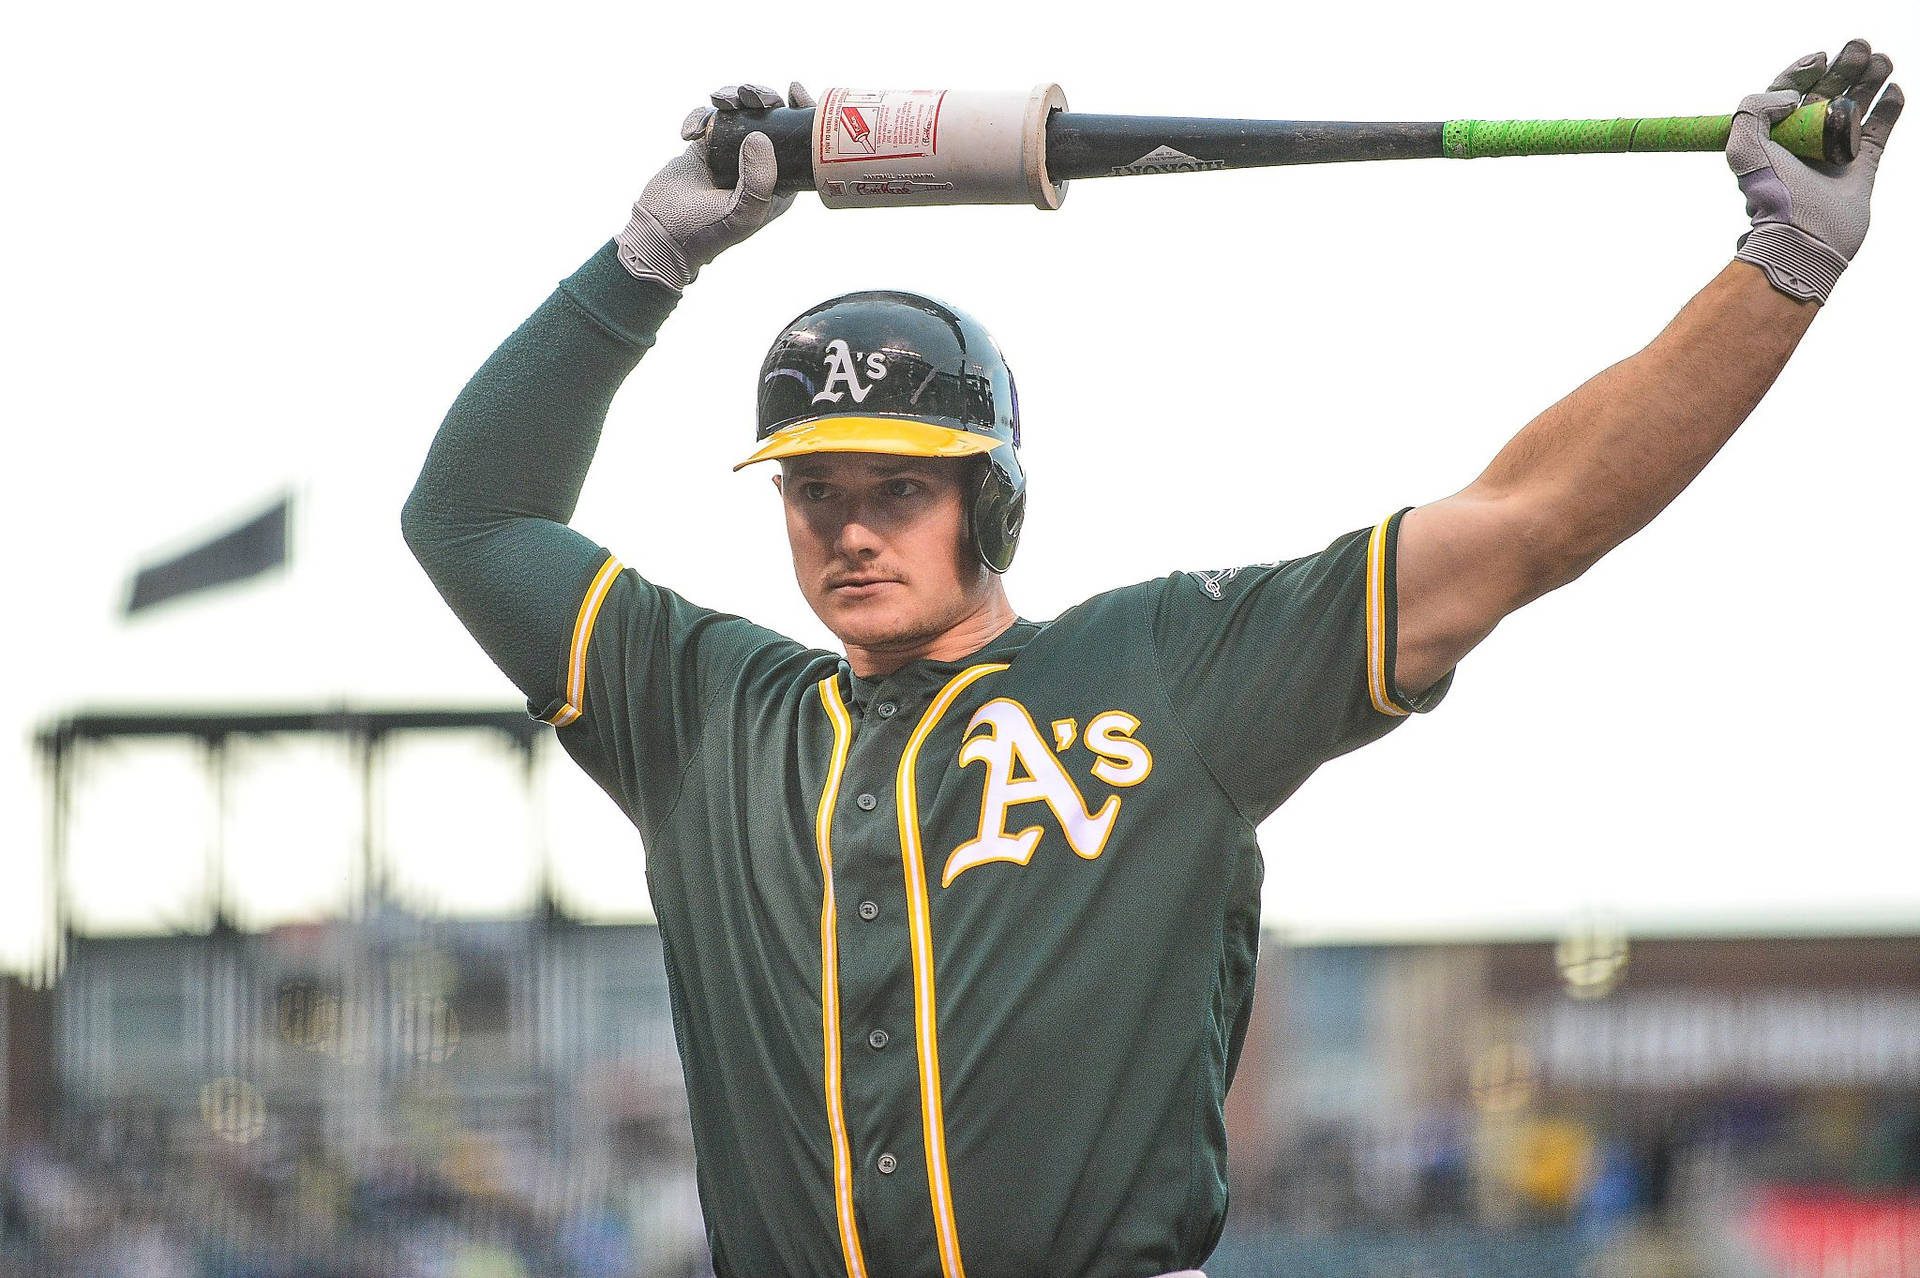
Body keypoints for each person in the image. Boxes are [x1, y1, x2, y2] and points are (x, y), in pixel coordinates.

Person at [403, 46, 1900, 1278]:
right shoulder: (705, 709)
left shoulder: (1164, 664)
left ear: (991, 495)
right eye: (813, 490)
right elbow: (468, 517)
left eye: (897, 487)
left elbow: (1522, 524)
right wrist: (648, 259)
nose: (848, 529)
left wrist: (1784, 262)